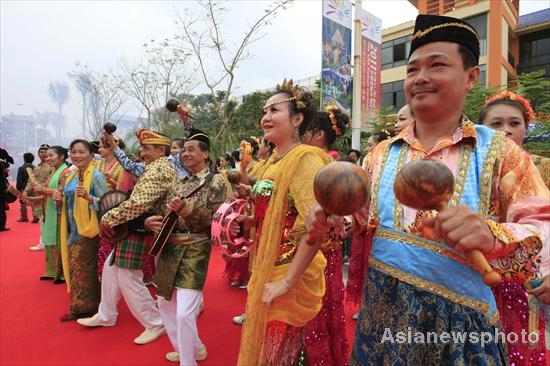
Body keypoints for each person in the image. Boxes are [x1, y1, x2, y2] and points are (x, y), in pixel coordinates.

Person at [306, 14, 549, 365]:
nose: (420, 78)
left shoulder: (501, 152)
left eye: (436, 65)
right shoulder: (380, 154)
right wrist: (333, 216)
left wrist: (493, 235)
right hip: (381, 319)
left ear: (471, 77)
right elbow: (362, 219)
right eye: (411, 70)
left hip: (462, 329)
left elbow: (542, 225)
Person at [236, 79, 332, 365]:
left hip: (288, 274)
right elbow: (277, 213)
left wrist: (287, 283)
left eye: (274, 110)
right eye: (265, 111)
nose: (266, 117)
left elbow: (314, 226)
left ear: (298, 119)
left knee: (281, 356)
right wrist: (252, 219)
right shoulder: (274, 162)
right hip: (266, 268)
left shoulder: (305, 160)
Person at [78, 129, 175, 346]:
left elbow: (139, 203)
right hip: (135, 224)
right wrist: (114, 146)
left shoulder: (159, 169)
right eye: (141, 147)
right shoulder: (154, 166)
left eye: (147, 148)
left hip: (144, 225)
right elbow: (131, 169)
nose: (142, 152)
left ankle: (155, 321)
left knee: (127, 275)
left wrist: (109, 217)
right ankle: (106, 314)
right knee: (112, 269)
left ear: (161, 150)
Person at [479, 90, 549, 365]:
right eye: (496, 124)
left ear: (526, 128)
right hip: (480, 275)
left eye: (514, 123)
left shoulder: (543, 168)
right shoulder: (473, 168)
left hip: (528, 279)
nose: (505, 131)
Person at [145, 129, 226, 365]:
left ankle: (188, 361)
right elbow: (165, 212)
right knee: (163, 302)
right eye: (184, 149)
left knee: (184, 312)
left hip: (195, 248)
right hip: (169, 246)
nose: (184, 154)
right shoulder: (179, 182)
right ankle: (192, 348)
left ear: (206, 154)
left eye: (191, 149)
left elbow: (217, 220)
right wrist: (150, 221)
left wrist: (188, 210)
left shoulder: (216, 181)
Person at [300, 106, 350, 365]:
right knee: (324, 310)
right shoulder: (330, 162)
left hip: (316, 249)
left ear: (318, 135)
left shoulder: (318, 163)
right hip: (326, 249)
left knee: (315, 312)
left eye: (305, 130)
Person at [57, 139, 106, 322]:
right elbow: (66, 203)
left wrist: (88, 197)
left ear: (91, 155)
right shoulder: (71, 175)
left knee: (83, 269)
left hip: (88, 230)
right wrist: (57, 200)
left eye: (81, 152)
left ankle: (86, 307)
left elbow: (107, 204)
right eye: (74, 151)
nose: (76, 155)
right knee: (75, 268)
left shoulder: (96, 176)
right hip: (72, 229)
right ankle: (83, 305)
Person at [96, 137, 136, 280]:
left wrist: (110, 180)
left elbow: (125, 190)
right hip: (97, 205)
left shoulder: (122, 166)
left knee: (112, 238)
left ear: (112, 148)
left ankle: (113, 273)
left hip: (115, 206)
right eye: (99, 147)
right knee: (101, 241)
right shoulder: (97, 164)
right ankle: (103, 272)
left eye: (103, 147)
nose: (100, 149)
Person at [33, 146, 70, 283]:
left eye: (51, 155)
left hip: (60, 211)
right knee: (49, 238)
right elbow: (49, 191)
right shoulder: (54, 171)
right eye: (46, 156)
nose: (47, 158)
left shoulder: (65, 172)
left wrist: (44, 190)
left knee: (58, 240)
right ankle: (51, 270)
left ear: (61, 156)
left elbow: (62, 192)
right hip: (49, 209)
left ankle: (61, 272)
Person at [28, 144, 54, 250]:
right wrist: (25, 193)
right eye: (41, 152)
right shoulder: (36, 167)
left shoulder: (52, 167)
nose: (43, 154)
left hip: (48, 196)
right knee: (41, 219)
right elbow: (30, 182)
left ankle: (47, 241)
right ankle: (43, 242)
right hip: (37, 198)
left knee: (48, 220)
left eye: (45, 152)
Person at [16, 152, 35, 223]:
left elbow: (19, 179)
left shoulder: (21, 168)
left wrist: (18, 188)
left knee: (23, 203)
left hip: (23, 188)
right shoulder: (35, 167)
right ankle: (35, 216)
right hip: (33, 187)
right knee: (34, 202)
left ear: (24, 159)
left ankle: (24, 217)